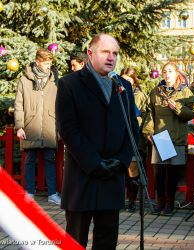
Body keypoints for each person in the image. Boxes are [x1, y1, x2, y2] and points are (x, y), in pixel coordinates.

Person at [56, 33, 139, 249]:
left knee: (107, 240)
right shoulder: (69, 84)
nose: (111, 57)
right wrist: (94, 163)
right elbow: (68, 130)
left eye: (115, 53)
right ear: (90, 53)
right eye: (105, 52)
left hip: (112, 176)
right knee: (75, 240)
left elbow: (132, 130)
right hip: (82, 176)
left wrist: (121, 162)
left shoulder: (123, 86)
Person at [143, 62, 194, 216]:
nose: (167, 74)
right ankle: (160, 203)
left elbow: (191, 114)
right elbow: (149, 113)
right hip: (161, 138)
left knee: (172, 174)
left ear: (176, 73)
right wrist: (148, 131)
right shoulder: (156, 92)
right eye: (165, 71)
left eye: (170, 71)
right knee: (159, 173)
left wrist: (178, 108)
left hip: (176, 138)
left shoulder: (185, 92)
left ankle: (170, 204)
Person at [14, 48, 61, 205]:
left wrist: (59, 127)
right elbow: (18, 104)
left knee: (50, 159)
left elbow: (61, 106)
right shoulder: (24, 80)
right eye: (46, 63)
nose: (48, 66)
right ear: (37, 62)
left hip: (49, 125)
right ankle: (29, 193)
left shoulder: (55, 80)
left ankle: (52, 193)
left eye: (50, 63)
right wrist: (19, 126)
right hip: (30, 124)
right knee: (29, 160)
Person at [120, 67, 148, 212]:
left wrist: (137, 119)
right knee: (121, 171)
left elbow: (146, 115)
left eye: (129, 81)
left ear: (134, 81)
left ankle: (132, 200)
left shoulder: (141, 96)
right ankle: (120, 200)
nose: (126, 83)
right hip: (120, 139)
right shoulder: (117, 93)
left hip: (135, 139)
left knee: (133, 172)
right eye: (123, 80)